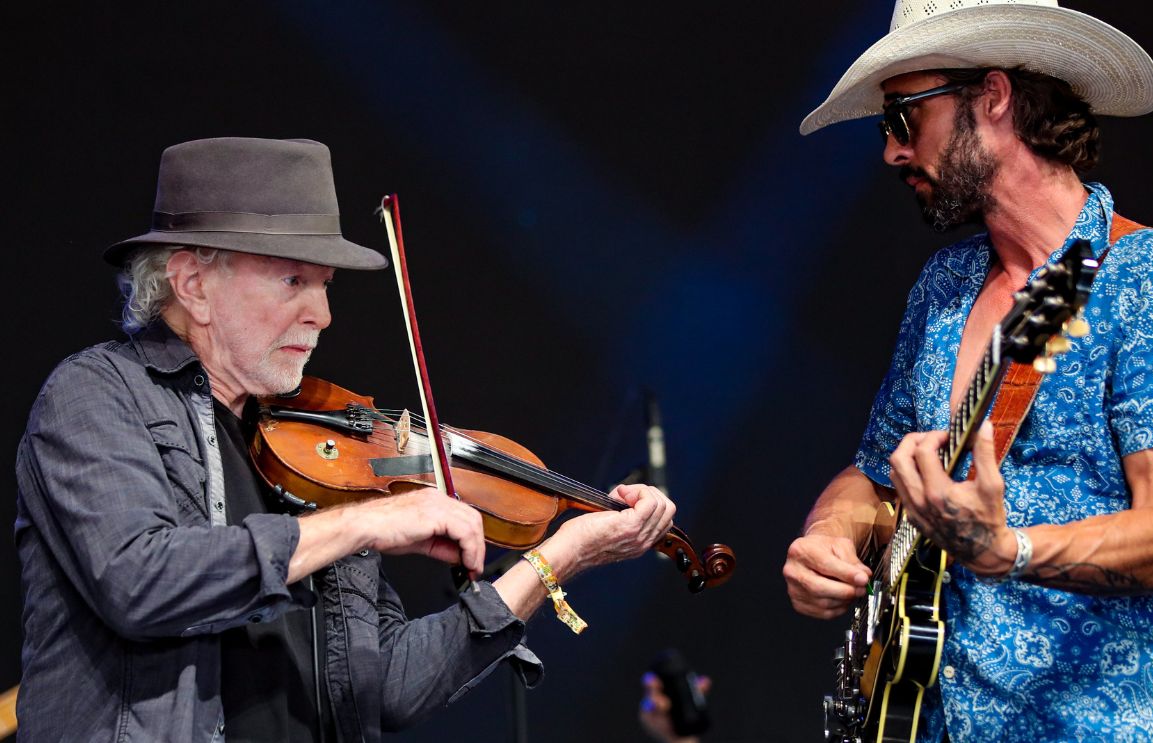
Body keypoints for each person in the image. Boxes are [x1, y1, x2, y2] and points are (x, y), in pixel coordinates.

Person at [14, 136, 677, 742]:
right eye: (293, 279)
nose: (323, 314)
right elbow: (142, 582)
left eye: (325, 287)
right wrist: (368, 523)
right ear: (194, 284)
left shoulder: (310, 447)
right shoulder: (95, 396)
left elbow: (385, 687)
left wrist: (559, 556)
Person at [781, 1, 1153, 741]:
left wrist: (1007, 550)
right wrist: (827, 534)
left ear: (992, 97)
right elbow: (872, 473)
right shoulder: (943, 285)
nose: (892, 152)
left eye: (903, 117)